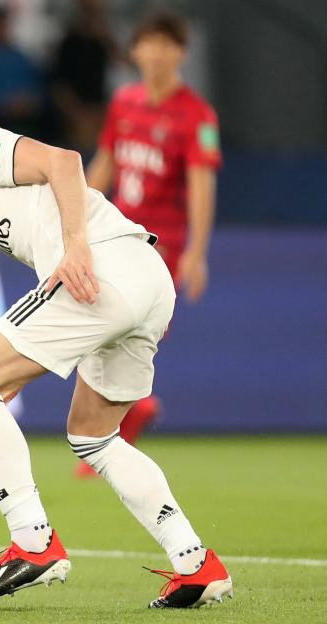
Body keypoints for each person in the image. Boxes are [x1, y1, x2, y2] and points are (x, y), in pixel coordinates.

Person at [0, 84, 232, 608]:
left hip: (104, 270)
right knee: (95, 435)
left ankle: (33, 541)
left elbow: (64, 161)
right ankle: (197, 564)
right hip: (148, 279)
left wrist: (74, 247)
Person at [79, 11, 221, 475]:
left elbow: (201, 184)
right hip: (117, 231)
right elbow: (106, 164)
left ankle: (115, 423)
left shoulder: (197, 115)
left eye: (166, 45)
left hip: (162, 243)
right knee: (98, 323)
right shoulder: (125, 102)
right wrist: (73, 210)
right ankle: (129, 411)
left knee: (119, 324)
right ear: (135, 50)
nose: (155, 54)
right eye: (147, 44)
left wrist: (198, 252)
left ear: (181, 52)